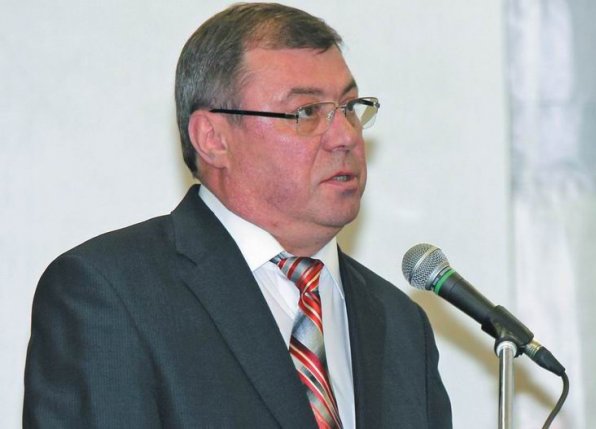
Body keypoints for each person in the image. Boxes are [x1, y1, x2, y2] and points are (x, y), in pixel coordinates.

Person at [24, 3, 452, 428]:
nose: (345, 136)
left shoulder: (401, 324)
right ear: (213, 138)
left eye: (350, 107)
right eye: (306, 112)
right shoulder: (112, 294)